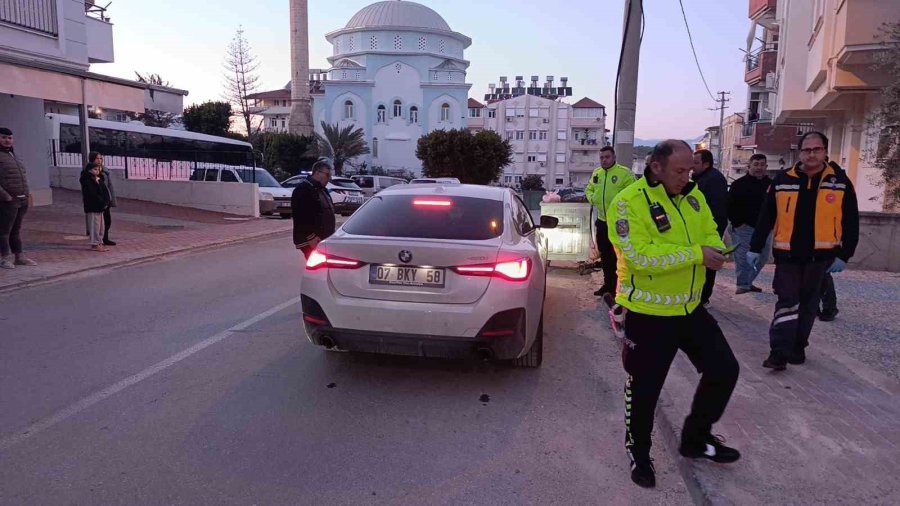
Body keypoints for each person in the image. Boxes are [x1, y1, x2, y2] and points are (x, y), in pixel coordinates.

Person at [608, 140, 740, 488]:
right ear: (656, 167)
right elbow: (640, 256)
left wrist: (716, 249)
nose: (687, 176)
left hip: (690, 308)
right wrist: (698, 254)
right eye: (680, 171)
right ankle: (639, 452)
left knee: (724, 370)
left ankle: (695, 440)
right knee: (645, 388)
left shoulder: (694, 197)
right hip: (648, 313)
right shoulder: (628, 203)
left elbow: (711, 231)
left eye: (691, 169)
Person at [748, 131, 859, 370]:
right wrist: (755, 247)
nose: (811, 154)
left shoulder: (839, 181)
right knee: (787, 301)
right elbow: (766, 215)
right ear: (800, 152)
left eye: (816, 149)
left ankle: (798, 347)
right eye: (807, 150)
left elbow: (851, 221)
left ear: (825, 152)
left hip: (820, 257)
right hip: (787, 255)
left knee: (809, 305)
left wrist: (844, 254)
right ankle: (779, 352)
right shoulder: (782, 180)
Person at [585, 146, 635, 303]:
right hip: (602, 221)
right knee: (605, 256)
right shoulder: (597, 173)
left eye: (607, 157)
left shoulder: (624, 173)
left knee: (619, 256)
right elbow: (589, 189)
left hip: (619, 223)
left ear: (614, 157)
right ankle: (608, 286)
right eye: (601, 157)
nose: (604, 160)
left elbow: (633, 195)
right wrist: (593, 198)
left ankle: (619, 289)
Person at [727, 154, 772, 294]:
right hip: (744, 227)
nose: (759, 167)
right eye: (756, 164)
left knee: (763, 257)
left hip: (765, 228)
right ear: (749, 166)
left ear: (766, 167)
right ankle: (743, 284)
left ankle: (748, 281)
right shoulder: (738, 185)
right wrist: (738, 223)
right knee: (743, 258)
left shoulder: (771, 185)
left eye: (762, 164)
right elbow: (729, 205)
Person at [691, 149, 728, 306]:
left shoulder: (713, 180)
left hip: (709, 230)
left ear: (706, 164)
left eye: (696, 163)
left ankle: (703, 297)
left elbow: (714, 209)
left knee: (708, 263)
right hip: (702, 229)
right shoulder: (701, 178)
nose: (692, 166)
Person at [0, 127, 38, 269]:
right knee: (4, 230)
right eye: (3, 137)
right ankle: (4, 258)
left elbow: (23, 176)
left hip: (22, 199)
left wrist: (28, 194)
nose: (7, 140)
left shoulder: (14, 155)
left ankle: (19, 257)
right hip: (7, 201)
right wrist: (6, 196)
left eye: (9, 138)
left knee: (16, 230)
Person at [292, 158, 336, 259]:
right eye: (327, 175)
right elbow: (300, 216)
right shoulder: (303, 189)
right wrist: (310, 237)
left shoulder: (322, 190)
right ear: (317, 173)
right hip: (311, 240)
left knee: (326, 270)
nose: (329, 178)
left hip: (324, 239)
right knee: (318, 270)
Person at [86, 152, 117, 246]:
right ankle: (97, 241)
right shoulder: (90, 171)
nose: (99, 160)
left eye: (100, 158)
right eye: (97, 158)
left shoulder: (104, 170)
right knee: (97, 222)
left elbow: (108, 186)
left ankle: (104, 238)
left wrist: (110, 199)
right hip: (98, 201)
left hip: (106, 198)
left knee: (107, 220)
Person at [80, 162, 111, 252]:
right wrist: (101, 200)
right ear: (89, 170)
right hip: (93, 206)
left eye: (98, 169)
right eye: (95, 169)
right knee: (95, 225)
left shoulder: (98, 178)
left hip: (100, 206)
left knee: (101, 225)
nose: (97, 171)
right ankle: (95, 243)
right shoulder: (87, 179)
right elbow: (91, 193)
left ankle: (99, 242)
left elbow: (104, 190)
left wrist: (105, 201)